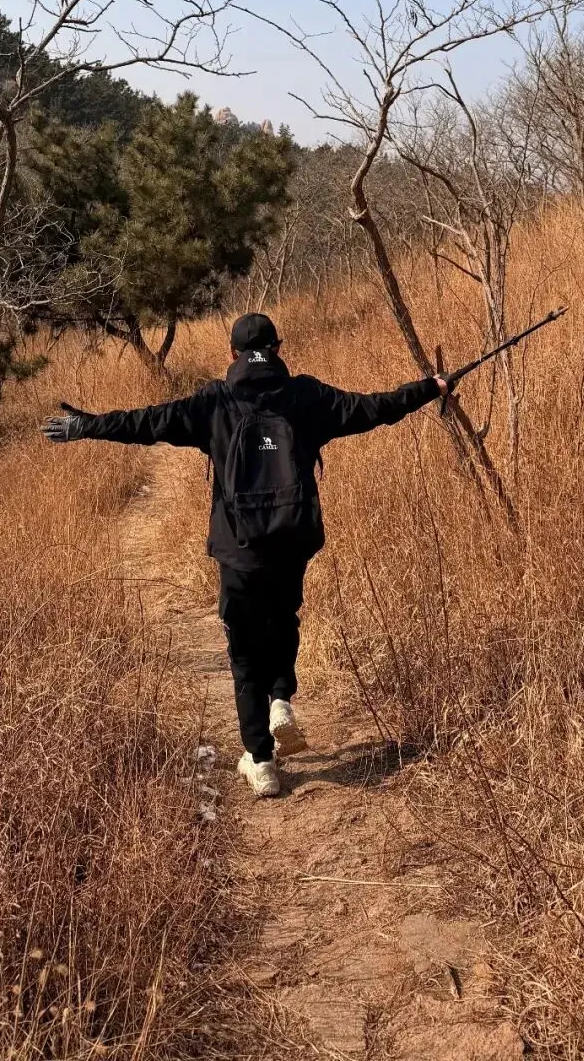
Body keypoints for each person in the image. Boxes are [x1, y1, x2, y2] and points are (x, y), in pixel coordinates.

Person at [43, 312, 450, 798]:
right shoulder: (305, 396)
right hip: (292, 542)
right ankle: (281, 699)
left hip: (239, 551)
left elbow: (146, 422)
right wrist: (430, 387)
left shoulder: (214, 402)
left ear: (232, 354)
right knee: (284, 618)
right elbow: (375, 408)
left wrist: (87, 426)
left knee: (244, 649)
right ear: (278, 348)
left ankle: (261, 760)